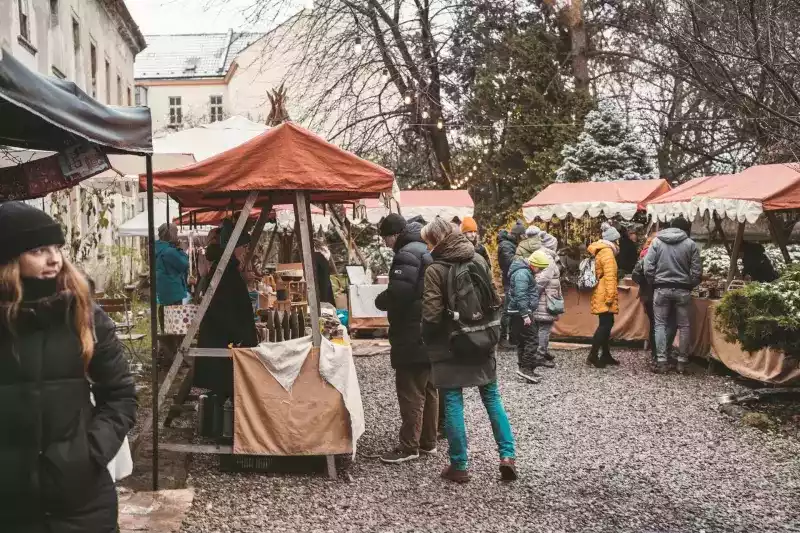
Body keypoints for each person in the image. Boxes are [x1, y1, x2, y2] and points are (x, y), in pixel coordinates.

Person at [0, 202, 136, 533]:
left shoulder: (83, 314)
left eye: (57, 248)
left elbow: (120, 395)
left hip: (82, 499)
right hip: (10, 503)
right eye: (38, 250)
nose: (54, 259)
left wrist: (88, 454)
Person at [420, 217, 517, 483]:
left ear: (436, 240)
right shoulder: (478, 258)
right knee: (492, 398)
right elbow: (494, 298)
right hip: (483, 339)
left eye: (427, 242)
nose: (426, 247)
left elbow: (431, 314)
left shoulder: (435, 269)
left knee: (453, 402)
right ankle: (507, 456)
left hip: (450, 344)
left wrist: (427, 339)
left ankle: (459, 465)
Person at [374, 214, 438, 464]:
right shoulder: (424, 248)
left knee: (410, 389)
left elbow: (399, 292)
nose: (386, 244)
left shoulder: (406, 253)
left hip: (411, 330)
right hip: (428, 327)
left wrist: (380, 300)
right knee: (429, 387)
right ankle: (428, 441)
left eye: (385, 238)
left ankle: (409, 445)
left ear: (394, 235)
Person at [195, 231, 259, 395]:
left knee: (223, 389)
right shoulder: (225, 271)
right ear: (234, 247)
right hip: (222, 341)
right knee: (223, 388)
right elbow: (223, 309)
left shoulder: (226, 268)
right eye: (244, 246)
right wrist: (239, 336)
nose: (246, 251)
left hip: (222, 338)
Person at [643, 216, 702, 374]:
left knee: (660, 325)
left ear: (670, 227)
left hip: (661, 288)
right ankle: (682, 362)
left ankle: (662, 361)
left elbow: (648, 267)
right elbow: (697, 271)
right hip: (683, 290)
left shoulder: (657, 242)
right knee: (684, 326)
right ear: (685, 229)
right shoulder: (690, 244)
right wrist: (690, 284)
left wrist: (653, 282)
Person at [508, 250, 552, 381]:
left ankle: (523, 368)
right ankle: (526, 369)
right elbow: (520, 294)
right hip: (522, 312)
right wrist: (525, 314)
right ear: (534, 264)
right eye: (540, 268)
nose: (540, 271)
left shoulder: (524, 272)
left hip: (519, 311)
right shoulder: (523, 273)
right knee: (532, 339)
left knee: (523, 341)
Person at [586, 222, 621, 368]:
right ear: (613, 240)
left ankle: (605, 354)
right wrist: (610, 296)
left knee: (607, 323)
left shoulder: (602, 251)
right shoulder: (608, 253)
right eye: (617, 239)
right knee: (605, 325)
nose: (619, 242)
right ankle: (593, 355)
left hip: (601, 289)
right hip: (605, 291)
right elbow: (610, 277)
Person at [533, 233, 562, 363]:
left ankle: (541, 350)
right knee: (545, 326)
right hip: (546, 298)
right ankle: (540, 353)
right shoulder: (548, 258)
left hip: (544, 296)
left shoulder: (543, 255)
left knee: (541, 326)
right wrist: (536, 293)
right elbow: (543, 279)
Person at [155, 222, 190, 332]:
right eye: (176, 232)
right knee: (175, 328)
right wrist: (181, 250)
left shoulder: (158, 249)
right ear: (170, 234)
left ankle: (165, 339)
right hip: (173, 292)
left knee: (166, 325)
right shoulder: (169, 251)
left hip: (164, 291)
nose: (177, 235)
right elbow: (184, 264)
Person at [497, 221, 526, 346]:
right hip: (509, 281)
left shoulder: (510, 244)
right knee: (508, 310)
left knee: (513, 310)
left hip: (513, 280)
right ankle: (503, 338)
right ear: (517, 235)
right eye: (522, 235)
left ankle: (513, 338)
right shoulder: (506, 245)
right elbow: (509, 263)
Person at [312, 239, 336, 306]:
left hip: (320, 267)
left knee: (323, 287)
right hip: (322, 267)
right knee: (325, 287)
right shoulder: (323, 250)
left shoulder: (320, 251)